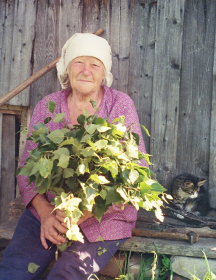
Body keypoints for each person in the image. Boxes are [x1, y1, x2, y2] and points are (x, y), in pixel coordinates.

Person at [0, 33, 148, 280]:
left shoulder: (119, 106)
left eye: (95, 64)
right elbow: (27, 168)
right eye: (79, 62)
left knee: (67, 273)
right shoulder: (48, 107)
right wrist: (46, 213)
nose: (86, 71)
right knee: (14, 270)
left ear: (104, 73)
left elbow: (133, 174)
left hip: (103, 215)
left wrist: (81, 212)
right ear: (67, 68)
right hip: (49, 211)